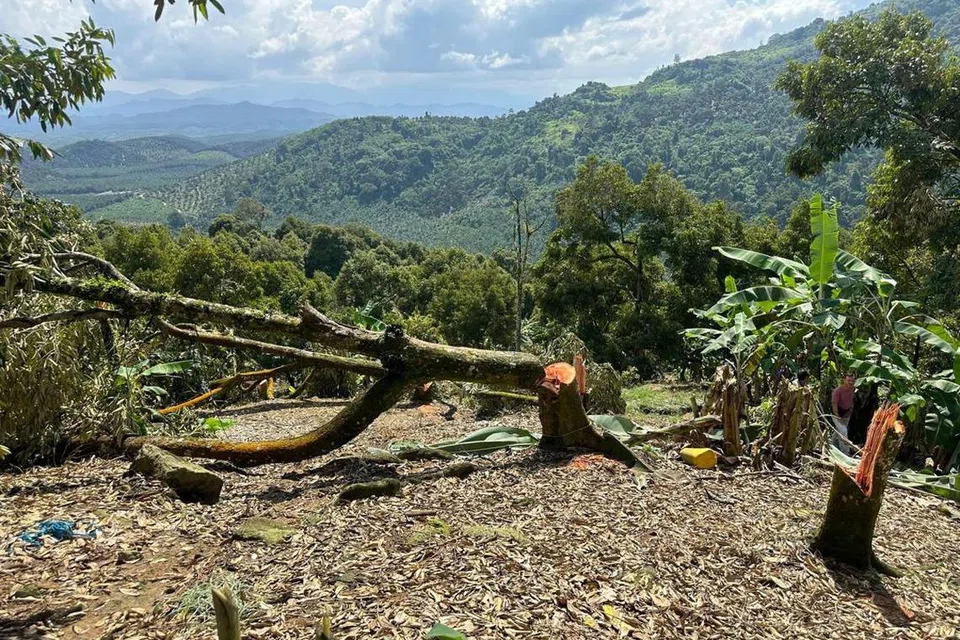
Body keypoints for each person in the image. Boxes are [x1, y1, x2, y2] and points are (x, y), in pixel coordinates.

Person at [831, 372, 856, 452]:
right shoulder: (837, 391)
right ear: (844, 380)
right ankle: (845, 452)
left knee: (839, 431)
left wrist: (850, 411)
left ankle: (831, 445)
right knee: (843, 431)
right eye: (848, 380)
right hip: (836, 413)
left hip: (846, 413)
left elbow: (851, 400)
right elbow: (834, 405)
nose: (850, 383)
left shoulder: (853, 389)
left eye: (852, 381)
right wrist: (838, 417)